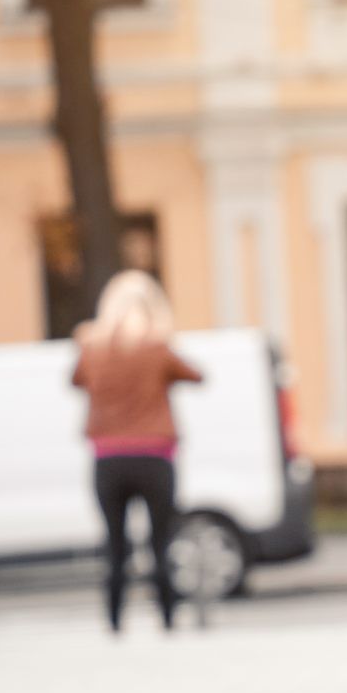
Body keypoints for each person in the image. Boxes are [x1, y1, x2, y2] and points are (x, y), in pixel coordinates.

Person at [71, 270, 202, 633]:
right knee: (160, 541)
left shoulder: (92, 347)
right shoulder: (157, 348)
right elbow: (196, 375)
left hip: (108, 458)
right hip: (155, 456)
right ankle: (167, 617)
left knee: (115, 543)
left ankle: (114, 621)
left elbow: (76, 379)